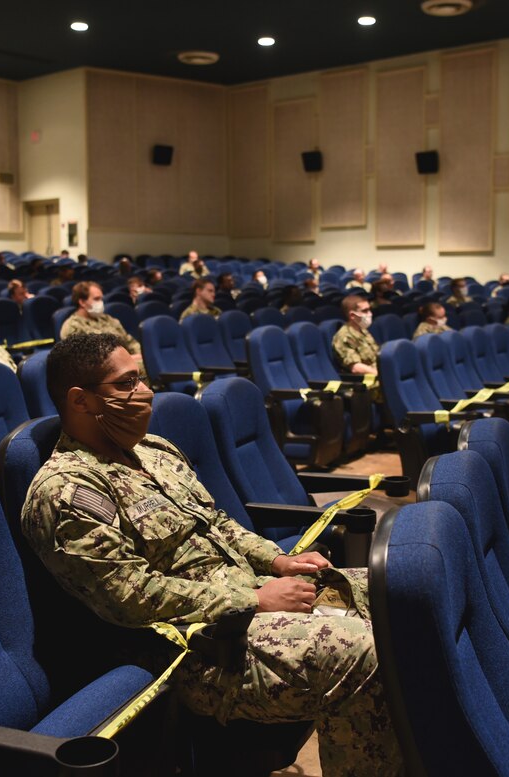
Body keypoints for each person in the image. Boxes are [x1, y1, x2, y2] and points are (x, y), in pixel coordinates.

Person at [21, 334, 402, 776]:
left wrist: (276, 561)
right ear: (80, 401)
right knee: (362, 653)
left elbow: (219, 523)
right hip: (197, 650)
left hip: (253, 593)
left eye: (141, 378)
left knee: (397, 593)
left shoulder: (156, 452)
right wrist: (253, 601)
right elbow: (127, 596)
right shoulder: (67, 491)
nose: (145, 392)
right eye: (127, 384)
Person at [61, 281, 142, 360]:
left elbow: (129, 341)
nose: (101, 303)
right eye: (96, 299)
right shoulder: (72, 326)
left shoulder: (107, 319)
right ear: (82, 302)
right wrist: (126, 359)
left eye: (101, 299)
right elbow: (82, 362)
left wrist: (142, 354)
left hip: (129, 361)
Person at [333, 295, 379, 375]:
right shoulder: (344, 336)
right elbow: (356, 367)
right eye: (365, 311)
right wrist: (382, 375)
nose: (370, 314)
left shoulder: (363, 330)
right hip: (369, 380)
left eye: (369, 310)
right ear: (352, 315)